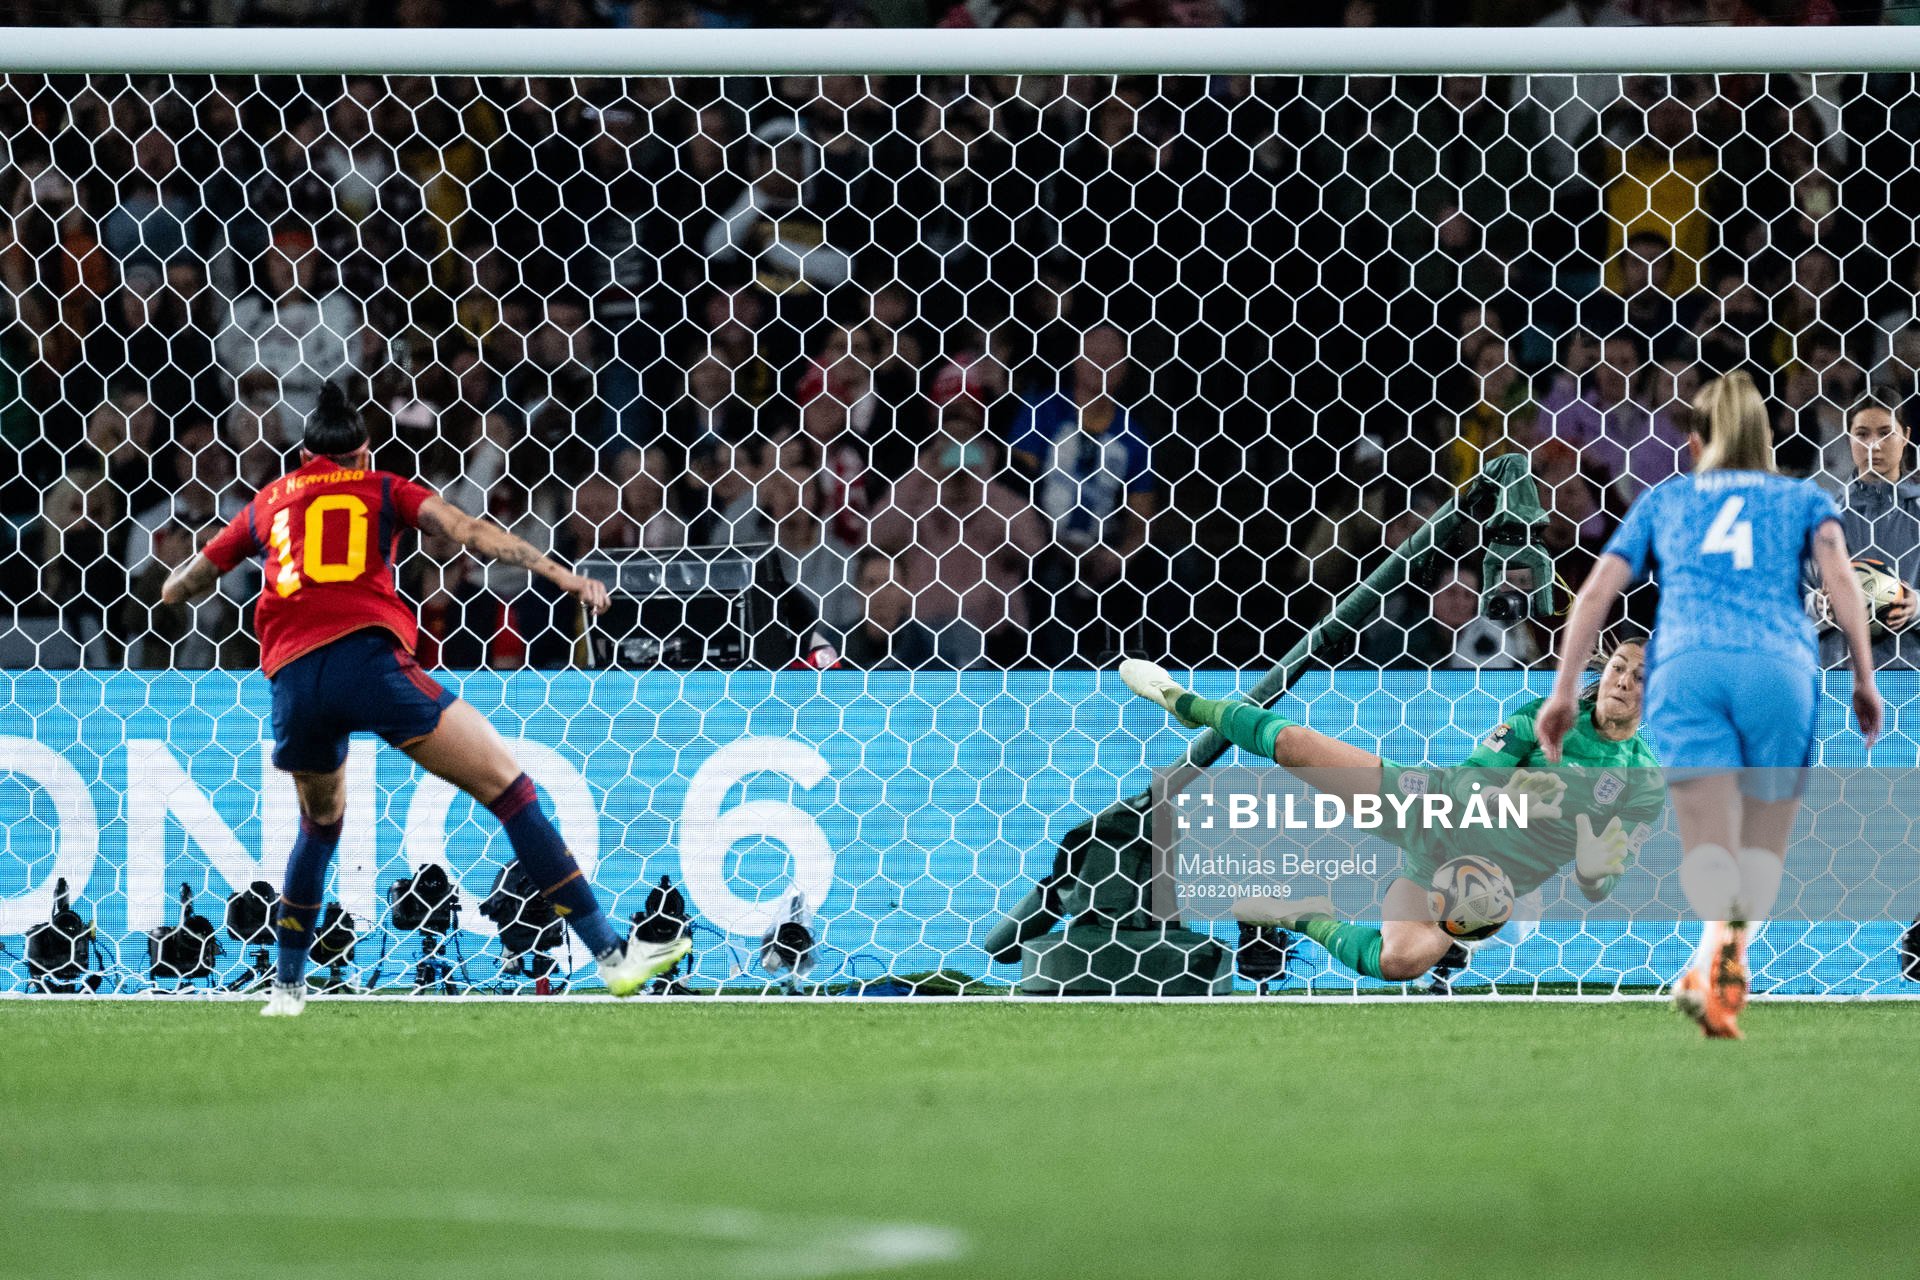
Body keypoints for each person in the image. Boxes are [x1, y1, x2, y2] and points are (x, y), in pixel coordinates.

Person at [157, 383, 689, 1016]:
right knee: (512, 792)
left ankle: (287, 988)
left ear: (303, 457)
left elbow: (181, 585)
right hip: (367, 663)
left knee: (319, 827)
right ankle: (612, 957)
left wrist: (178, 587)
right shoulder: (382, 486)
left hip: (295, 683)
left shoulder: (266, 502)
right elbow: (466, 531)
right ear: (361, 453)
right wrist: (564, 575)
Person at [1538, 371, 1883, 1039]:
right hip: (1780, 667)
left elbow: (1596, 593)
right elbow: (1842, 580)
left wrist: (1561, 690)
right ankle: (1727, 954)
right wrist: (1864, 678)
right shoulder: (1802, 498)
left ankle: (1710, 953)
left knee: (1706, 838)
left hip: (1688, 666)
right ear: (1767, 440)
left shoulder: (1667, 499)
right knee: (1762, 841)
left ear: (1693, 446)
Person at [1118, 637, 1658, 984]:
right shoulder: (1548, 717)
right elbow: (1470, 776)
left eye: (1638, 677)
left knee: (1399, 962)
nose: (1622, 682)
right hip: (1433, 809)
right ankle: (1184, 702)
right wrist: (1503, 798)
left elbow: (1601, 884)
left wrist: (1593, 871)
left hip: (1471, 884)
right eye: (1617, 667)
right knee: (1298, 747)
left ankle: (1304, 915)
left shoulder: (1645, 782)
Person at [1809, 400, 1919, 669]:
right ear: (1849, 438)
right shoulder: (1823, 514)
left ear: (1905, 436)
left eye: (1885, 433)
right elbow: (1793, 591)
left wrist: (1917, 605)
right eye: (1862, 434)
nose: (1874, 445)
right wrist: (1819, 605)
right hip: (1839, 672)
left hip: (1911, 670)